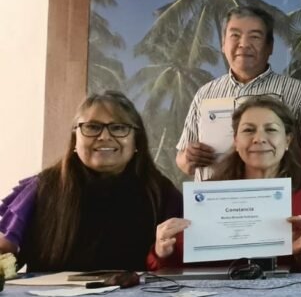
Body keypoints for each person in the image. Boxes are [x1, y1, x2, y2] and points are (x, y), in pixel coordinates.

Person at [0, 91, 181, 271]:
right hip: (51, 290)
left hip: (136, 290)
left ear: (136, 142)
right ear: (75, 139)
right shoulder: (40, 189)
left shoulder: (160, 192)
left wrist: (162, 253)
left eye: (118, 128)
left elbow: (180, 263)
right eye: (92, 127)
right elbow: (6, 255)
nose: (104, 136)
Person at [150, 97, 301, 272]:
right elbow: (174, 264)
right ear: (236, 141)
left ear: (287, 140)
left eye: (271, 129)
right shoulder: (205, 197)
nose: (259, 138)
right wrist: (162, 250)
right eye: (249, 130)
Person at [176, 6, 301, 180]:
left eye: (254, 37)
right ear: (223, 44)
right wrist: (188, 157)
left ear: (270, 47)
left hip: (272, 195)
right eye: (235, 35)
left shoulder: (296, 93)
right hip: (214, 195)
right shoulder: (205, 94)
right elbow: (183, 162)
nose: (244, 44)